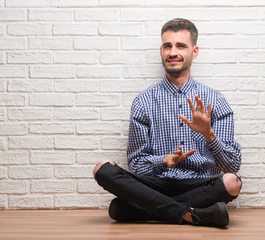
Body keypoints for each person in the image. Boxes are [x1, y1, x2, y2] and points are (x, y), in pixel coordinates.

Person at [93, 18, 242, 228]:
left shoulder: (216, 101)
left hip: (199, 183)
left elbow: (232, 166)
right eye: (167, 46)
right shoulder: (143, 101)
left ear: (194, 51)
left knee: (231, 183)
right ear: (161, 51)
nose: (173, 52)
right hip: (157, 184)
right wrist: (164, 161)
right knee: (102, 169)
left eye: (181, 46)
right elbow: (136, 164)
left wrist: (209, 135)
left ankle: (146, 211)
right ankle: (192, 215)